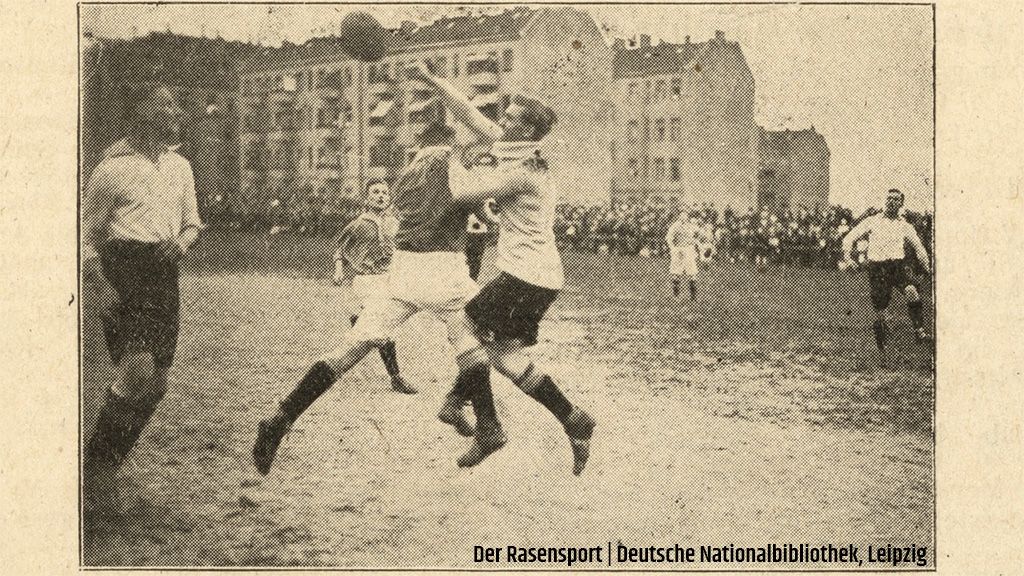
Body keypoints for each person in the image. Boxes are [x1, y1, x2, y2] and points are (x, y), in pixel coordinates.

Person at [252, 112, 501, 476]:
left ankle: (282, 415)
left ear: (418, 145)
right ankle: (482, 419)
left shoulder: (405, 177)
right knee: (482, 340)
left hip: (401, 272)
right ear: (450, 142)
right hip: (443, 269)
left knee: (352, 347)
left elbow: (443, 205)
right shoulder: (451, 162)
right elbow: (478, 159)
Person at [412, 62, 595, 475]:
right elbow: (470, 114)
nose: (501, 122)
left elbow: (460, 192)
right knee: (504, 357)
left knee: (463, 325)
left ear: (528, 131)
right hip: (538, 276)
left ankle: (479, 421)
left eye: (510, 118)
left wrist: (453, 156)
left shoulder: (524, 172)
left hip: (526, 276)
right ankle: (573, 418)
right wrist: (431, 81)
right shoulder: (513, 146)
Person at [81, 83, 202, 509]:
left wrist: (181, 245)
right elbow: (88, 234)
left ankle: (105, 466)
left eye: (175, 103)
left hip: (163, 273)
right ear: (142, 113)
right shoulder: (111, 169)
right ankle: (97, 470)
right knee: (136, 370)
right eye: (165, 104)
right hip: (122, 270)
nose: (175, 111)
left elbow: (192, 223)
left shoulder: (180, 166)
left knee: (155, 384)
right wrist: (101, 283)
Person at [331, 179, 416, 395]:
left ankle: (358, 324)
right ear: (367, 199)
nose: (381, 196)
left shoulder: (393, 223)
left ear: (389, 197)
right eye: (375, 192)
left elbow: (403, 247)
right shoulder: (360, 223)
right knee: (385, 330)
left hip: (388, 279)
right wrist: (339, 269)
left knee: (377, 327)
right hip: (367, 281)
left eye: (384, 193)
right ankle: (396, 378)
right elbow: (339, 247)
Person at [841, 188, 932, 362]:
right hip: (877, 269)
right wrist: (848, 257)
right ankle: (882, 349)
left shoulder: (905, 226)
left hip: (897, 266)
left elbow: (919, 248)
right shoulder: (872, 221)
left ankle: (919, 331)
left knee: (912, 290)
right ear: (885, 200)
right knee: (880, 312)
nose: (891, 201)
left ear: (901, 203)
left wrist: (927, 268)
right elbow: (849, 238)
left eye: (896, 199)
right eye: (889, 198)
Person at [665, 211, 700, 300]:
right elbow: (669, 238)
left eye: (685, 216)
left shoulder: (690, 226)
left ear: (687, 217)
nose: (684, 217)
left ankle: (693, 297)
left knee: (692, 272)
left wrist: (696, 243)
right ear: (679, 216)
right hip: (678, 250)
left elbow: (693, 237)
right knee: (676, 272)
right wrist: (673, 248)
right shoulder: (675, 226)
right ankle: (676, 296)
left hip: (688, 250)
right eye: (682, 216)